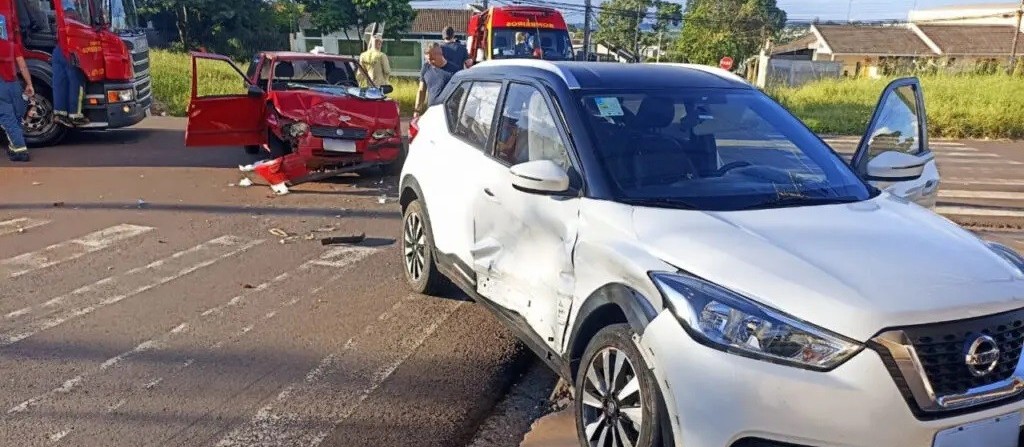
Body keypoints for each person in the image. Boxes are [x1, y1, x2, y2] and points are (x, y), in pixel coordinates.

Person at [0, 8, 34, 161]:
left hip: (1, 87)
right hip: (14, 84)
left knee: (7, 119)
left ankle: (21, 151)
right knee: (16, 116)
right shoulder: (13, 46)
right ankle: (14, 148)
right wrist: (29, 84)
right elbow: (23, 67)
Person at [51, 0, 87, 127]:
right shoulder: (72, 14)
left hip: (58, 50)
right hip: (70, 50)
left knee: (59, 83)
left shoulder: (58, 14)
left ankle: (60, 114)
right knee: (76, 82)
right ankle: (75, 115)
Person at [413, 43, 454, 118]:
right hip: (431, 111)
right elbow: (421, 90)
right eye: (428, 60)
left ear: (440, 54)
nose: (430, 62)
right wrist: (417, 110)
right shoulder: (426, 67)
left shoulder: (454, 71)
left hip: (448, 114)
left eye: (432, 59)